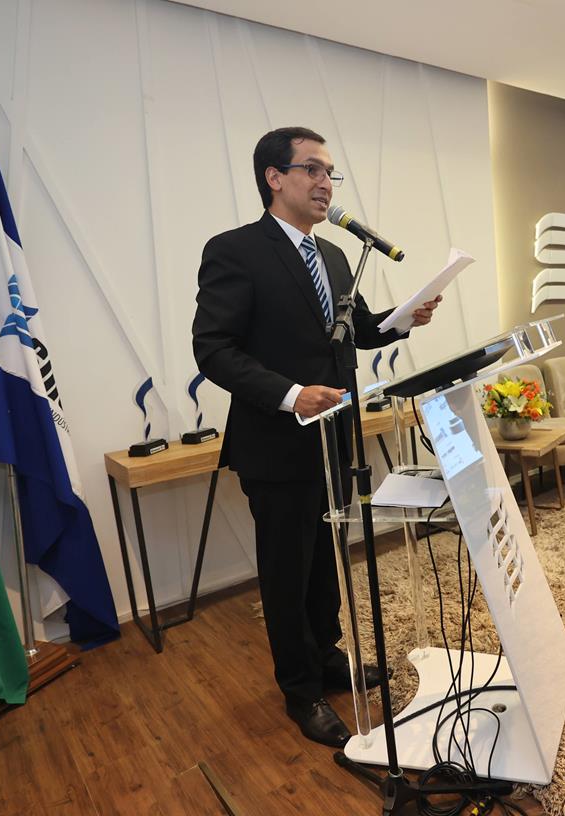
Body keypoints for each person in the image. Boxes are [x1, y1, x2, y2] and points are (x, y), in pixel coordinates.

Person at [192, 126, 441, 748]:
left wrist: (404, 320)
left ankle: (327, 655)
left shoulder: (332, 255)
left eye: (330, 172)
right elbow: (213, 349)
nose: (326, 183)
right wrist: (290, 393)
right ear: (274, 177)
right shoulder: (235, 250)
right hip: (276, 442)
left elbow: (357, 331)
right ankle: (300, 689)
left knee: (326, 559)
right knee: (287, 569)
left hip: (334, 439)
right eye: (312, 169)